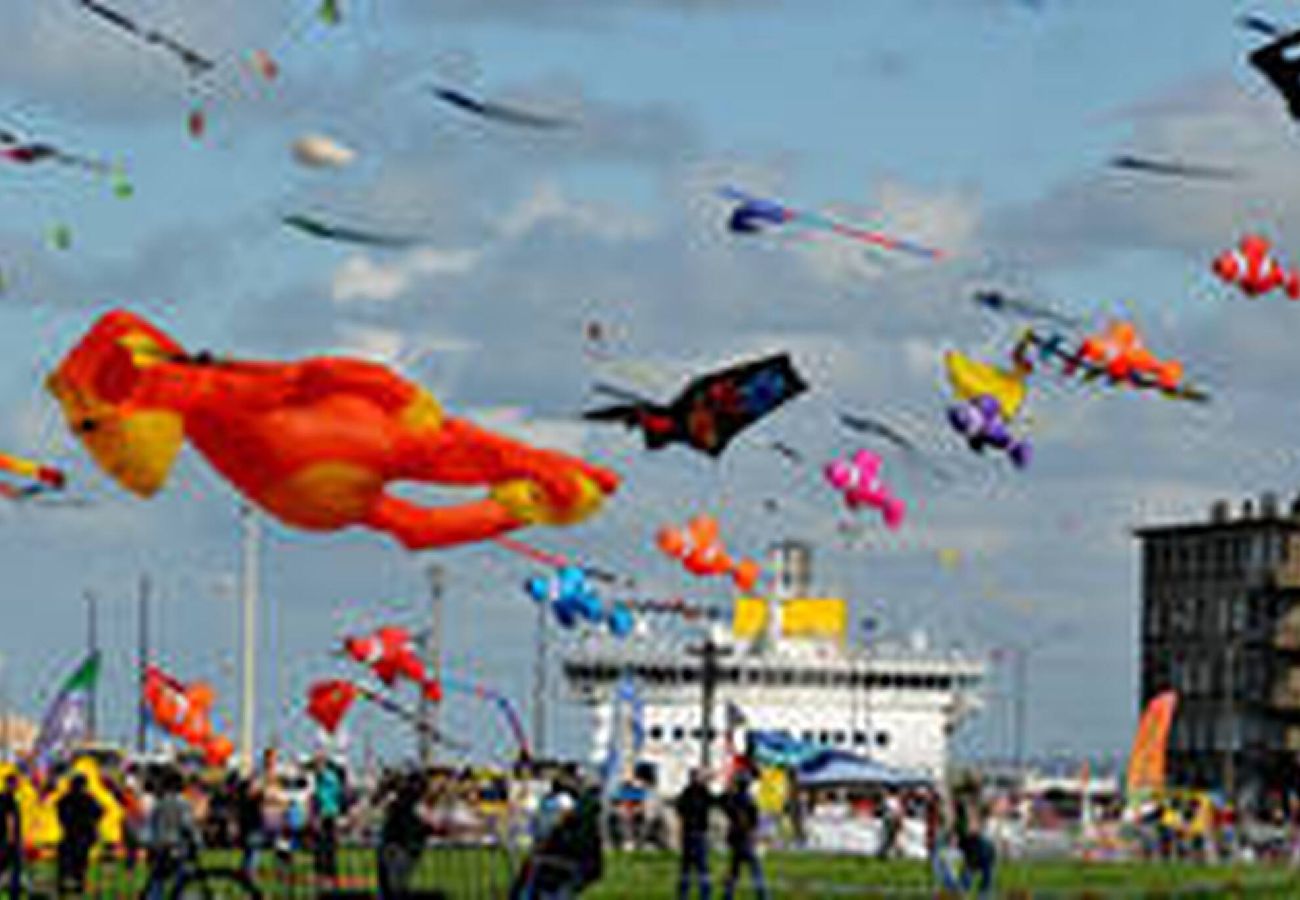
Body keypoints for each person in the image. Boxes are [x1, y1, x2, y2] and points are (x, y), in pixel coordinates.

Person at [142, 768, 201, 900]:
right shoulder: (182, 803)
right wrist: (197, 841)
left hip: (159, 846)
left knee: (157, 881)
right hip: (177, 847)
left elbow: (151, 826)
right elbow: (188, 825)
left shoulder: (159, 803)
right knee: (180, 880)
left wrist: (148, 845)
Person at [377, 771, 435, 899]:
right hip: (401, 847)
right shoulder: (409, 801)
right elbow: (422, 824)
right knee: (395, 887)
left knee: (389, 887)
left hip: (393, 845)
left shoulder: (399, 800)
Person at [720, 770, 766, 900]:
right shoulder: (751, 801)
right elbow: (755, 821)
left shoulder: (732, 800)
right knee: (756, 871)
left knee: (734, 870)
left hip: (736, 838)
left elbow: (723, 804)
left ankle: (728, 895)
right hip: (747, 838)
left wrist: (728, 788)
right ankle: (763, 896)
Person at [56, 773, 103, 895]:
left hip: (71, 833)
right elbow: (99, 812)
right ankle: (78, 884)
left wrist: (65, 824)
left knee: (67, 861)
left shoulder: (65, 799)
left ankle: (64, 885)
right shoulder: (88, 799)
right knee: (80, 861)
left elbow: (60, 812)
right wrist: (92, 823)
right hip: (83, 834)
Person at [675, 768, 715, 900]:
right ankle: (702, 895)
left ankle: (685, 895)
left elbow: (679, 809)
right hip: (695, 833)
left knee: (689, 867)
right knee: (699, 867)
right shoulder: (700, 792)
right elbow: (714, 801)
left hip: (692, 833)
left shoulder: (689, 792)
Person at [312, 758, 346, 884]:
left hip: (328, 814)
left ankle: (328, 873)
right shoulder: (323, 779)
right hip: (326, 813)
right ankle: (326, 873)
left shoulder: (328, 778)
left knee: (326, 845)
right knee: (323, 846)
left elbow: (322, 795)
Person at [0, 775, 22, 899]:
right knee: (15, 867)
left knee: (2, 866)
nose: (18, 786)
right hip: (9, 840)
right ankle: (14, 894)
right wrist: (11, 839)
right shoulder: (10, 799)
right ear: (11, 784)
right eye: (16, 783)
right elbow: (10, 819)